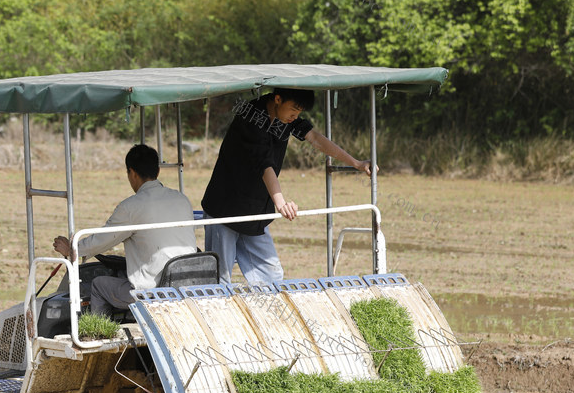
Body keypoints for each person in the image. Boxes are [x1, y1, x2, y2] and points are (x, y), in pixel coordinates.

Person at [201, 88, 372, 285]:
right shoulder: (251, 115)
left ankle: (266, 315)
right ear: (277, 99)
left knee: (272, 277)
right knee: (219, 279)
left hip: (255, 211)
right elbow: (264, 163)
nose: (295, 116)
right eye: (294, 110)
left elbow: (315, 138)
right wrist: (281, 203)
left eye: (299, 113)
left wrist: (356, 163)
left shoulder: (286, 118)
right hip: (225, 208)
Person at [53, 144, 196, 317]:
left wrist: (72, 249)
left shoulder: (131, 207)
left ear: (132, 173)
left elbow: (102, 240)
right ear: (158, 171)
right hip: (189, 282)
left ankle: (98, 335)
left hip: (154, 291)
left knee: (98, 285)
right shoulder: (182, 199)